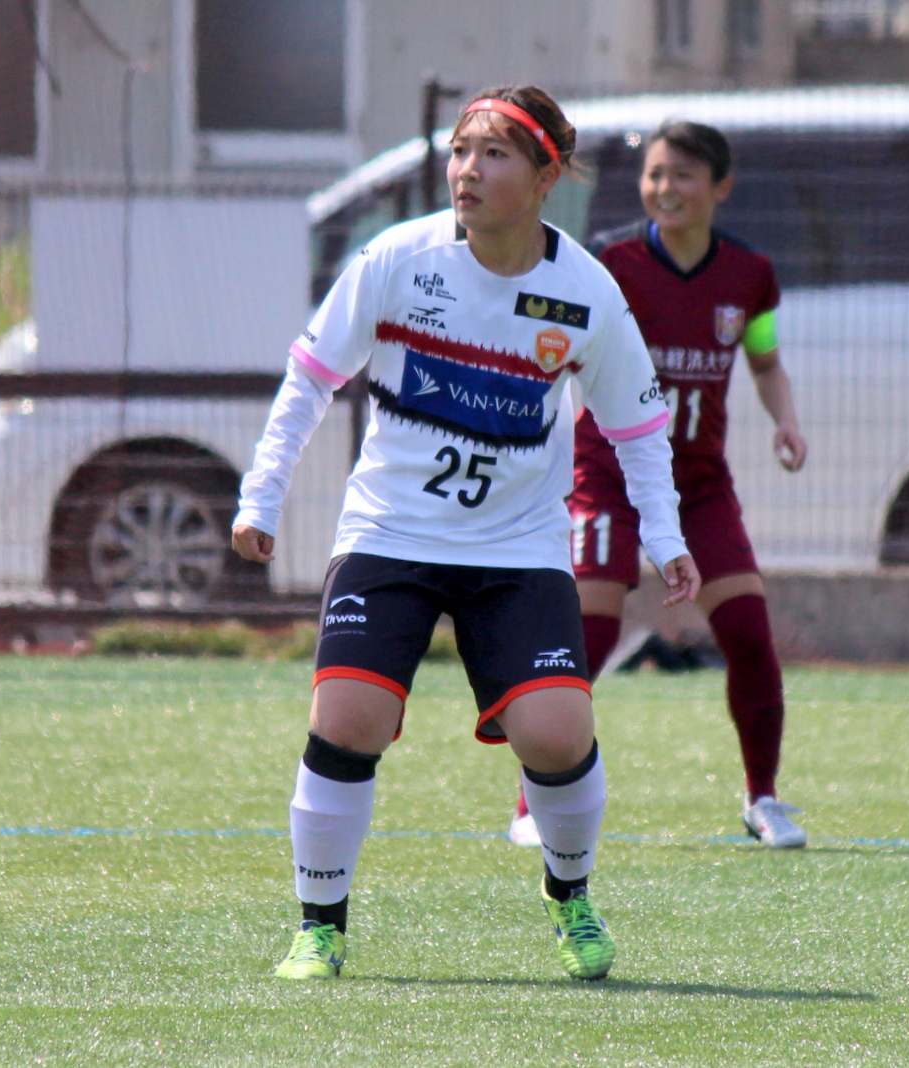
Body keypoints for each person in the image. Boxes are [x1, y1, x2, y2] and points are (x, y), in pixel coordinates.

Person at [232, 87, 700, 982]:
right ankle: (319, 927)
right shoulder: (397, 258)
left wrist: (666, 536)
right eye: (459, 151)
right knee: (348, 718)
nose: (467, 171)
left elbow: (639, 428)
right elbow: (310, 379)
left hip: (517, 548)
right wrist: (262, 497)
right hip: (390, 534)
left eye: (493, 154)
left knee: (557, 734)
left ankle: (571, 897)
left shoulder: (586, 292)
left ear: (545, 178)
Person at [508, 120, 809, 851]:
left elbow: (764, 358)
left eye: (682, 175)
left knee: (747, 633)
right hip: (607, 477)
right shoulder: (609, 265)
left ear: (721, 188)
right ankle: (531, 803)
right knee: (588, 631)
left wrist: (786, 420)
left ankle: (763, 799)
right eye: (655, 174)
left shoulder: (748, 275)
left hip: (698, 486)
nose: (665, 188)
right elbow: (555, 343)